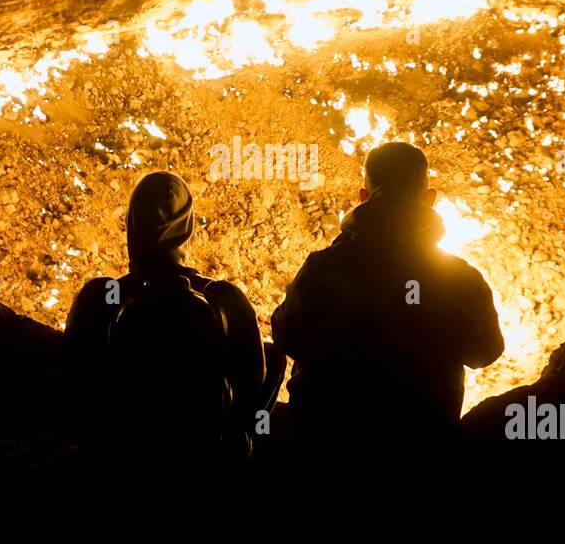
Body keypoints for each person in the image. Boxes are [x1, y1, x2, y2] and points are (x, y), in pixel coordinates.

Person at [271, 142, 505, 457]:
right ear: (429, 200)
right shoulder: (460, 278)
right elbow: (485, 352)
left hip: (325, 443)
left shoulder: (323, 266)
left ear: (363, 198)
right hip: (420, 447)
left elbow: (287, 336)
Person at [64, 171, 283, 460]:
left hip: (117, 457)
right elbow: (250, 388)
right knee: (274, 358)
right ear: (187, 227)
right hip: (206, 457)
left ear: (133, 225)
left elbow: (73, 386)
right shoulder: (223, 299)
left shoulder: (103, 297)